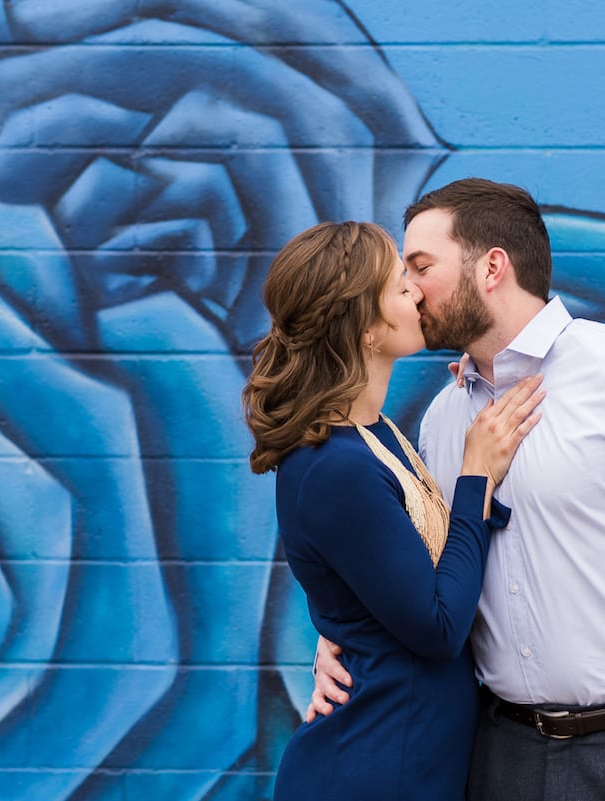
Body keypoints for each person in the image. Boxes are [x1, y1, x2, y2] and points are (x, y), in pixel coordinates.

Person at [309, 179, 605, 801]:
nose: (410, 289)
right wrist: (342, 630)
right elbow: (424, 562)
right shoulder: (445, 417)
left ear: (492, 268)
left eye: (422, 266)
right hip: (498, 754)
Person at [242, 220, 545, 800]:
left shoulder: (374, 433)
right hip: (374, 769)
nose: (415, 290)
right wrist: (475, 474)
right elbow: (436, 627)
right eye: (397, 283)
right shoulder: (335, 466)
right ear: (362, 328)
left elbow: (390, 581)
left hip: (407, 757)